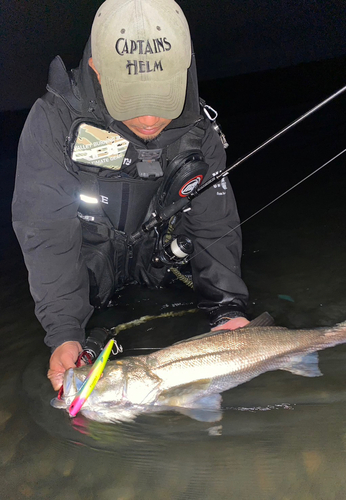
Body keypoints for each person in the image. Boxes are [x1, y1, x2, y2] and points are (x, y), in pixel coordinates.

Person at [12, 0, 250, 391]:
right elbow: (46, 230)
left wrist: (229, 310)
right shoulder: (52, 124)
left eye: (161, 98)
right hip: (88, 275)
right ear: (97, 70)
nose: (150, 120)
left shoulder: (201, 132)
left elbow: (214, 222)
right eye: (134, 100)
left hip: (159, 267)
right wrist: (64, 331)